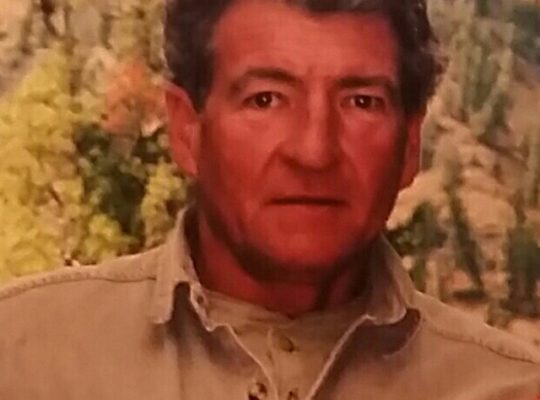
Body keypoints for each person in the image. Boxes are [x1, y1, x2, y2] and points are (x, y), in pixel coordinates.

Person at [1, 0, 539, 399]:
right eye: (266, 99)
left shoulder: (510, 387)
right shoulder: (24, 356)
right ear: (187, 130)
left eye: (361, 102)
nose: (314, 152)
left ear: (410, 146)